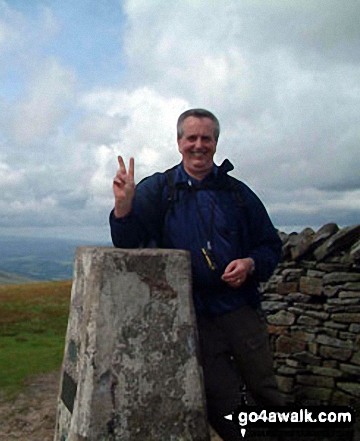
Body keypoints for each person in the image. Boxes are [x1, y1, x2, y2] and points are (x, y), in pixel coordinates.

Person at [110, 108, 284, 440]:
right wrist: (123, 207)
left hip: (240, 309)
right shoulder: (158, 190)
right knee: (222, 399)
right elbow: (126, 244)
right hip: (191, 316)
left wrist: (249, 264)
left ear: (216, 143)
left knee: (264, 389)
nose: (199, 145)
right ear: (179, 142)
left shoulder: (238, 194)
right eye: (192, 138)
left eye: (206, 138)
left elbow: (270, 246)